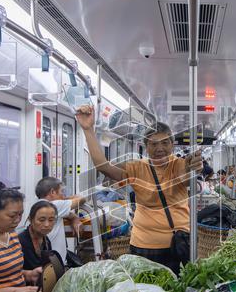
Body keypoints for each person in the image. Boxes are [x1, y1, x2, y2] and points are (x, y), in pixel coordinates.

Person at [76, 105, 202, 274]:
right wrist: (88, 130)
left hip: (177, 245)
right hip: (143, 246)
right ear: (145, 146)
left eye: (165, 143)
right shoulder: (136, 168)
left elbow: (187, 176)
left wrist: (194, 167)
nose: (159, 149)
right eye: (153, 144)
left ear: (172, 145)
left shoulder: (179, 165)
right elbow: (103, 167)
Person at [28, 177, 84, 262]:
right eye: (62, 191)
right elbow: (81, 199)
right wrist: (65, 199)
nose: (63, 195)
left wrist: (74, 218)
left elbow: (67, 214)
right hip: (52, 264)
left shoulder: (37, 205)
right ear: (52, 192)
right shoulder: (54, 204)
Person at [18, 200, 58, 272]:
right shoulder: (20, 242)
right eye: (41, 220)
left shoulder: (46, 241)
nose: (47, 224)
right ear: (31, 219)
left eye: (51, 220)